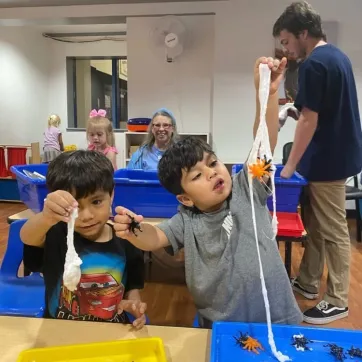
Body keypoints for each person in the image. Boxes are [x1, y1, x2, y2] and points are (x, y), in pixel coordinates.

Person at [114, 57, 303, 329]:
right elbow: (155, 237)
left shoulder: (246, 189)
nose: (212, 172)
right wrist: (133, 229)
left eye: (213, 163)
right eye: (197, 175)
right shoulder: (186, 219)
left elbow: (264, 142)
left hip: (277, 319)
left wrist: (269, 95)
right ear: (185, 198)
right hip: (219, 325)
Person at [273, 1, 362, 324]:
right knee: (318, 225)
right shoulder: (336, 57)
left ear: (303, 33)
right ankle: (309, 281)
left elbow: (310, 121)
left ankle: (338, 299)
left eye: (286, 41)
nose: (286, 49)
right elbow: (317, 108)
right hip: (337, 154)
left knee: (334, 229)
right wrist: (292, 110)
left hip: (328, 161)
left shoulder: (313, 64)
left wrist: (289, 166)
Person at [20, 150, 147, 328]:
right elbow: (27, 236)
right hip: (60, 330)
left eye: (96, 202)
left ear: (111, 195)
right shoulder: (55, 233)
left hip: (111, 331)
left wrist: (134, 306)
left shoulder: (125, 239)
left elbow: (132, 288)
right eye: (75, 207)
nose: (86, 216)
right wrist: (46, 217)